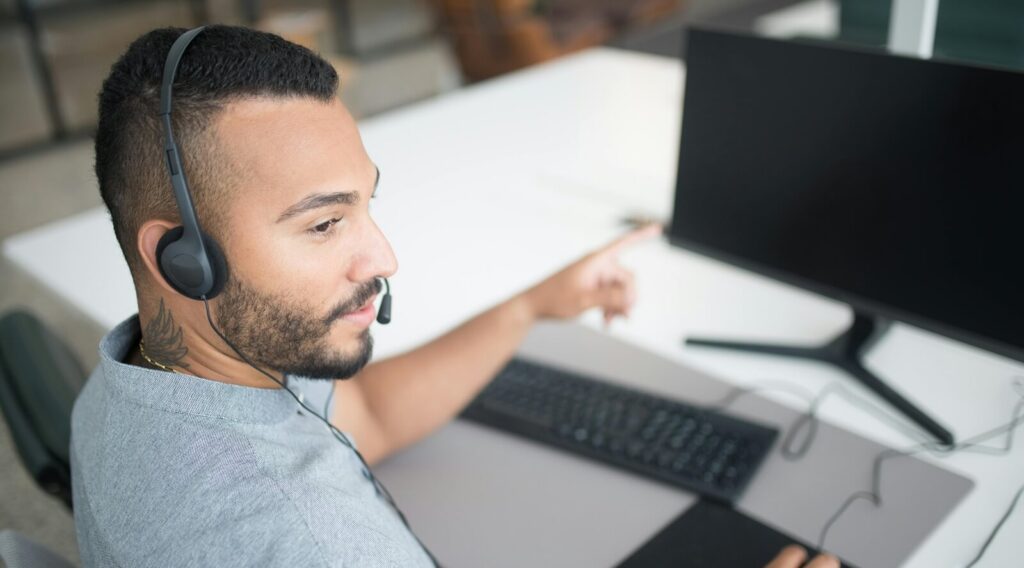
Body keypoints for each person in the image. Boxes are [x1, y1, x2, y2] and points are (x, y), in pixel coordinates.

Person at [71, 25, 838, 568]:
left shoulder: (138, 379)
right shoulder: (312, 541)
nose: (384, 257)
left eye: (367, 205)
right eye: (325, 223)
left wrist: (528, 307)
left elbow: (366, 417)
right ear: (181, 255)